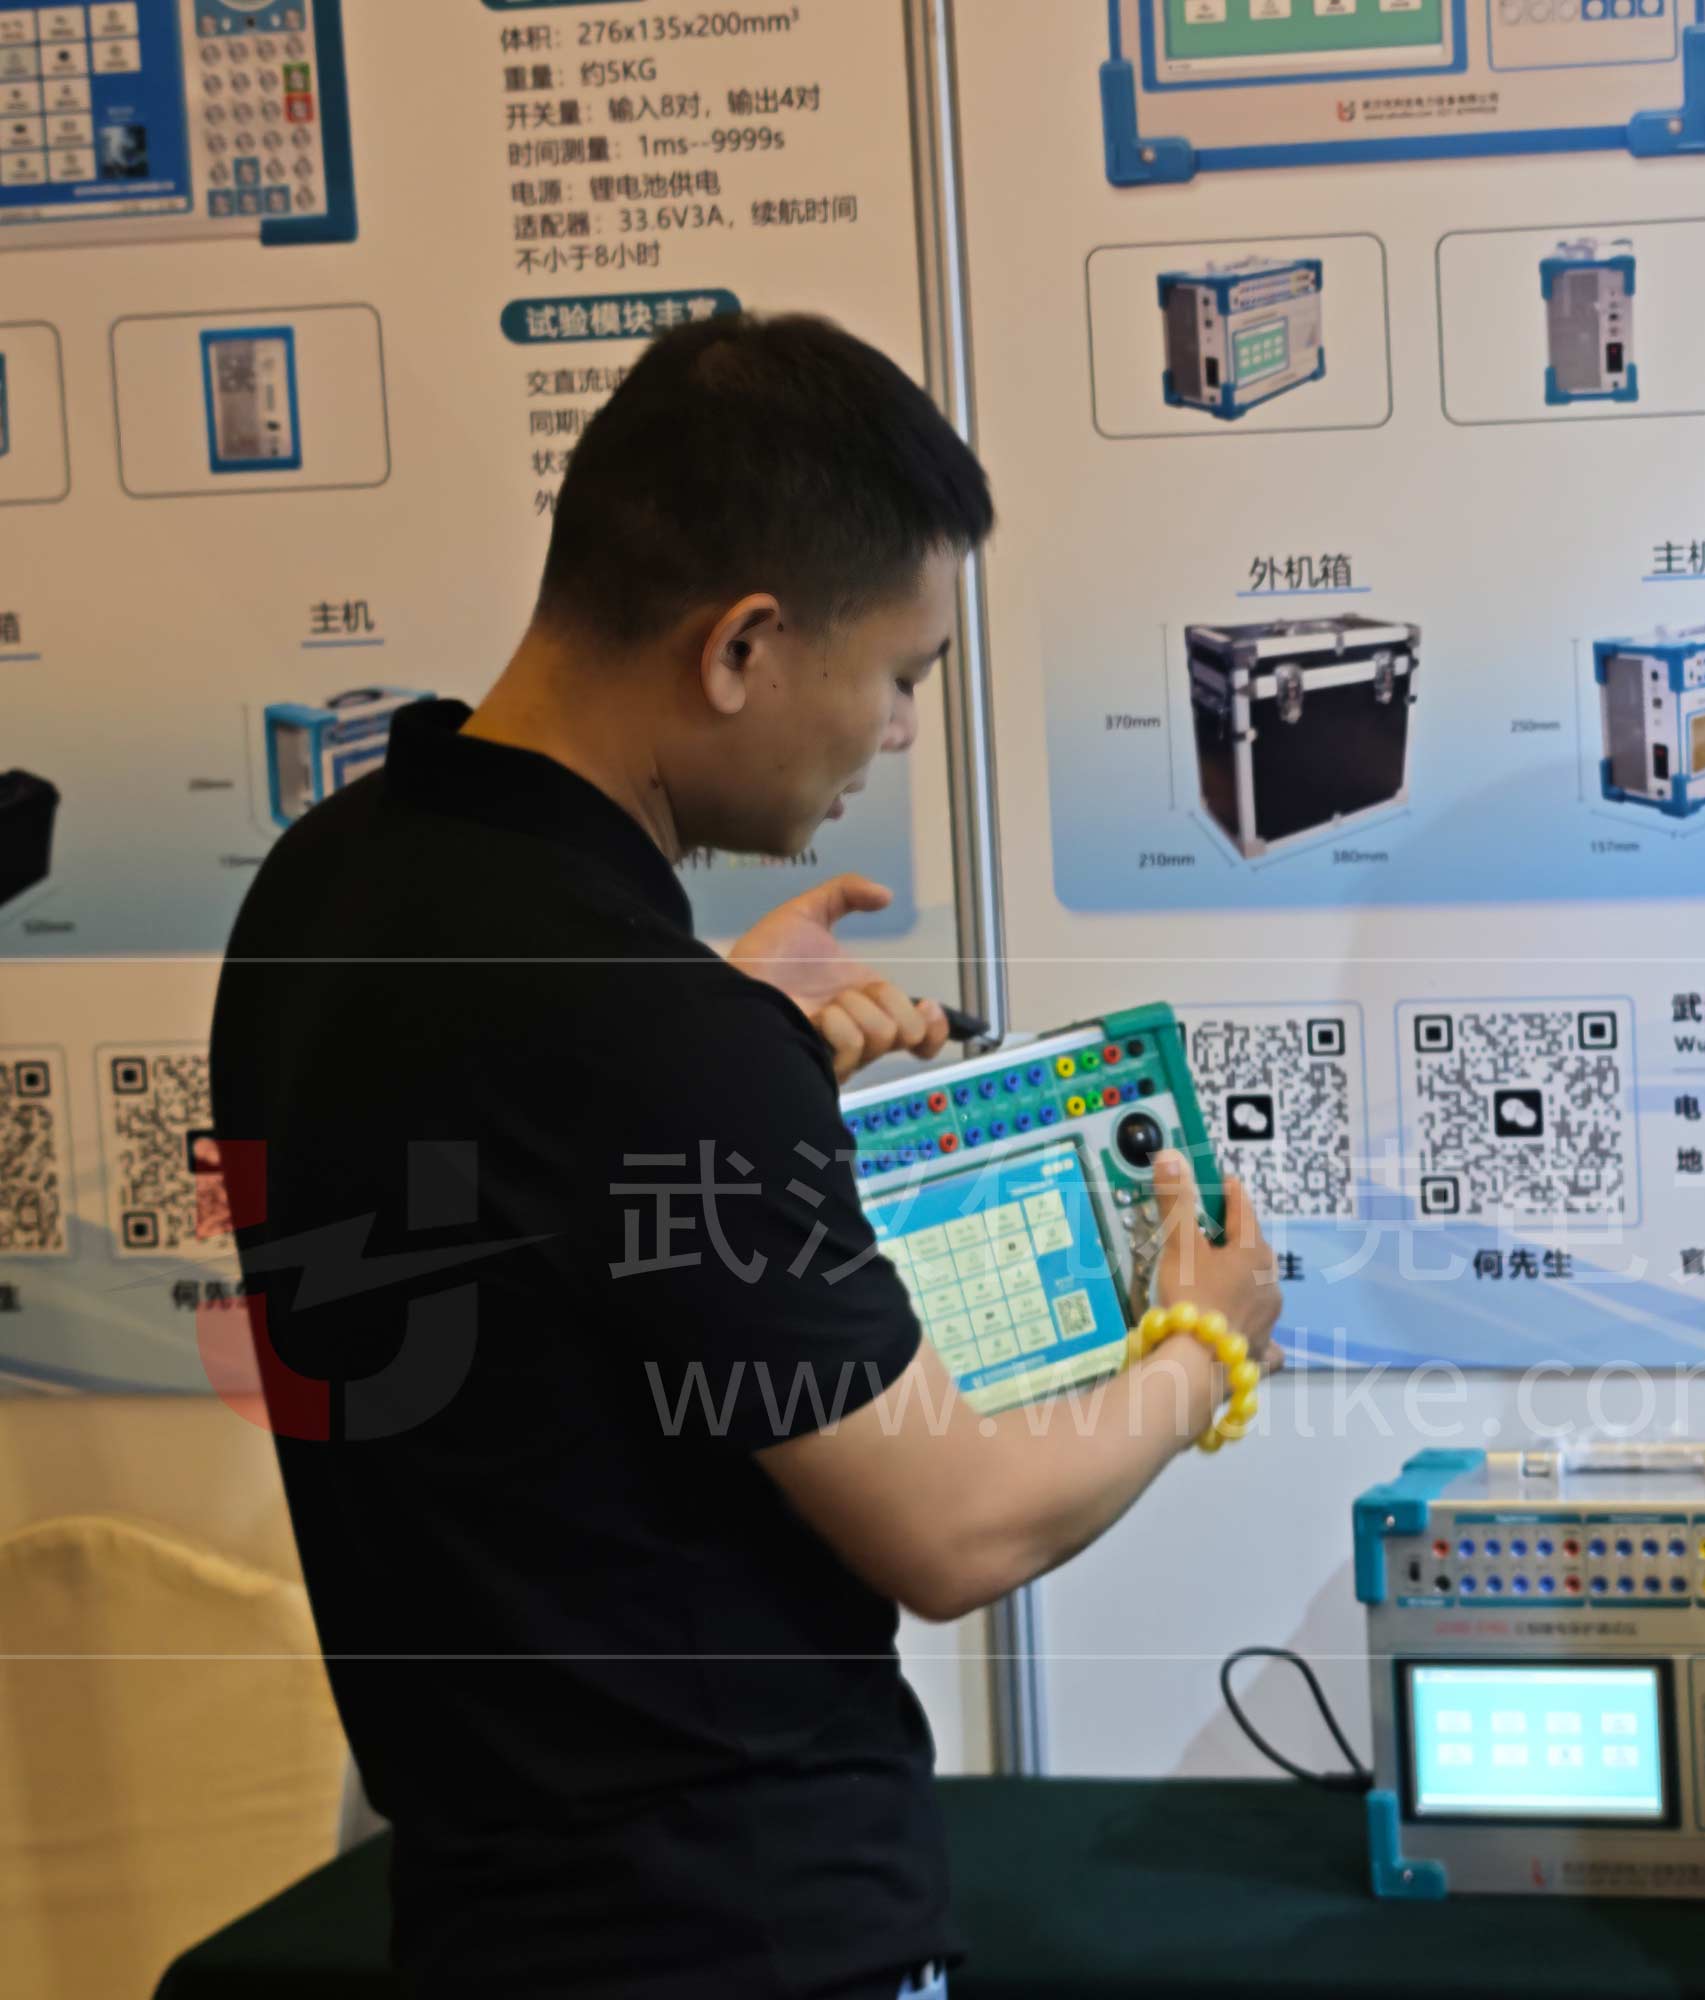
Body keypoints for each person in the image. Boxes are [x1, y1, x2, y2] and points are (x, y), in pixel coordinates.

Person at [209, 312, 1282, 2000]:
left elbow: (525, 1263)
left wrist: (715, 1018)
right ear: (743, 647)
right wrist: (1207, 1342)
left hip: (482, 1917)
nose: (900, 733)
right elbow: (956, 1533)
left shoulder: (325, 885)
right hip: (743, 1933)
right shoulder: (642, 1031)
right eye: (901, 677)